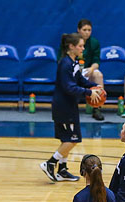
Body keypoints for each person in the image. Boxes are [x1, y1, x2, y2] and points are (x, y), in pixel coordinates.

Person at [40, 34, 103, 183]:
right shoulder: (65, 64)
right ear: (71, 47)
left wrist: (94, 86)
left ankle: (62, 170)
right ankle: (50, 163)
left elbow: (80, 80)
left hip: (69, 105)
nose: (83, 48)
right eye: (80, 46)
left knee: (66, 139)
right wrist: (89, 92)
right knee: (73, 139)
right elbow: (69, 87)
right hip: (63, 106)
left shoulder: (73, 62)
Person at [78, 19, 105, 121]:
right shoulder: (72, 41)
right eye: (84, 30)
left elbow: (96, 61)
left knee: (98, 75)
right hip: (74, 69)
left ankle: (97, 107)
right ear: (78, 30)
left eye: (89, 30)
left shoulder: (94, 42)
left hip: (87, 70)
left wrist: (92, 68)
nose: (87, 32)